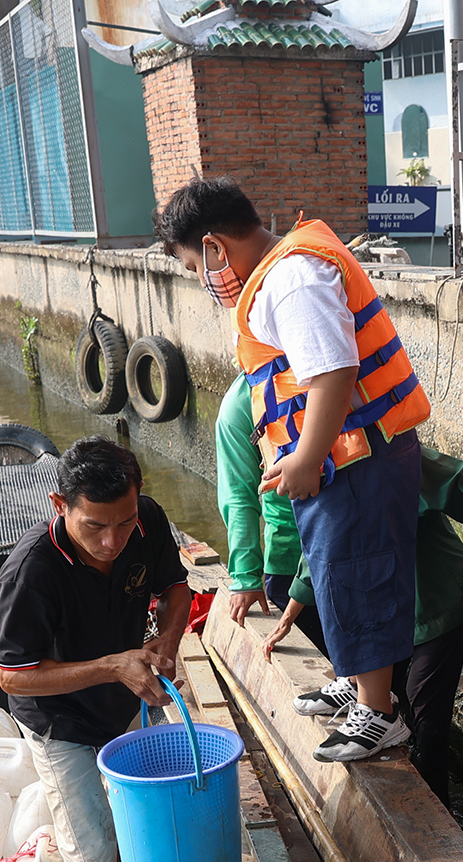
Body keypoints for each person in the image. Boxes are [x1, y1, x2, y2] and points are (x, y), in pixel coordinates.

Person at [158, 176, 427, 765]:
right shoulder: (283, 270)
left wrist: (305, 455)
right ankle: (361, 688)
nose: (201, 279)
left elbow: (333, 372)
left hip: (356, 458)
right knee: (338, 576)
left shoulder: (291, 278)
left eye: (191, 264)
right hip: (343, 457)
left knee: (358, 577)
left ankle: (379, 714)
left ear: (213, 247)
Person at [0, 437, 192, 862]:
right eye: (94, 527)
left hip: (125, 697)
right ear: (59, 505)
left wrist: (166, 645)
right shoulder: (33, 571)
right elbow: (15, 675)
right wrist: (112, 665)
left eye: (124, 522)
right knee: (89, 852)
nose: (112, 541)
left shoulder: (146, 523)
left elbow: (176, 588)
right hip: (60, 721)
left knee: (134, 813)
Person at [263, 451, 463, 805]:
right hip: (384, 610)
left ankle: (436, 805)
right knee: (390, 699)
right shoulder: (324, 475)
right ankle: (404, 778)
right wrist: (287, 617)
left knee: (426, 711)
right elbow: (318, 553)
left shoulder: (389, 455)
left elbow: (460, 477)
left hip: (435, 599)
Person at [213, 374, 303, 613]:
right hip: (292, 556)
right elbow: (239, 498)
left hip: (345, 542)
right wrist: (245, 577)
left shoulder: (327, 371)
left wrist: (246, 578)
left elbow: (238, 497)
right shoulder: (241, 404)